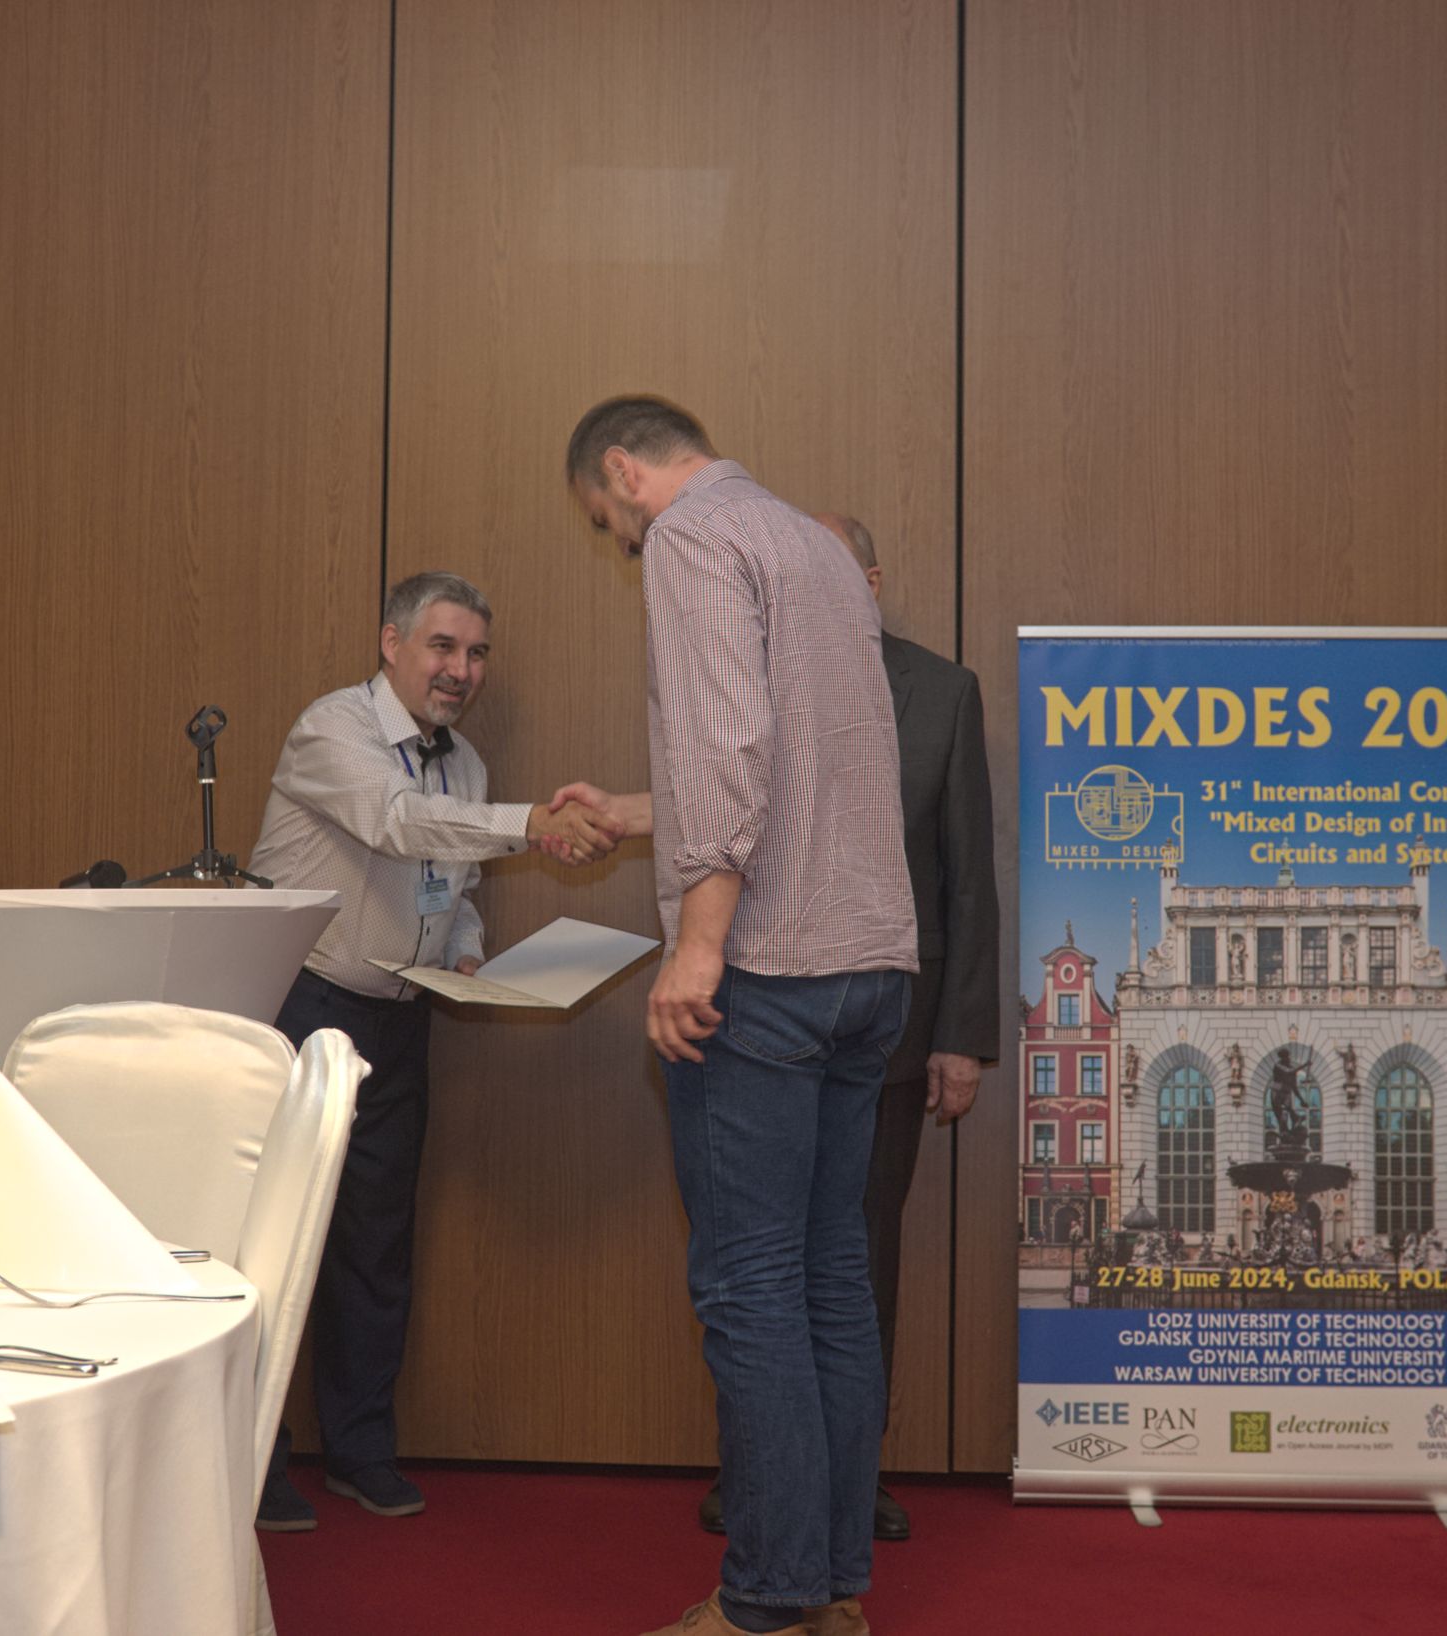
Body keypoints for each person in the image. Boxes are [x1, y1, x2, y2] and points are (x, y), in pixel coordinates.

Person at [563, 396, 915, 1636]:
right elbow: (799, 760)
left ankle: (765, 1599)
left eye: (606, 520)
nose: (622, 543)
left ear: (624, 470)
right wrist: (631, 807)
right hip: (870, 965)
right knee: (830, 1278)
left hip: (768, 968)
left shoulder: (691, 535)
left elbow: (728, 748)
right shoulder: (814, 543)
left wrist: (697, 947)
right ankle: (830, 1592)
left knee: (752, 1285)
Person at [247, 570, 619, 1531]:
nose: (461, 670)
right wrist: (531, 825)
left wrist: (466, 953)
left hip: (400, 1018)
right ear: (392, 643)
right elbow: (397, 820)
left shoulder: (471, 766)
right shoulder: (333, 730)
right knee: (274, 1242)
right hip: (302, 1008)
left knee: (377, 1244)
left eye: (477, 653)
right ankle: (255, 1462)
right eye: (443, 647)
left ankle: (360, 1451)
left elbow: (455, 887)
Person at [679, 511, 995, 1546]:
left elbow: (966, 876)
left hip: (887, 1032)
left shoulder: (941, 690)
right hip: (758, 1011)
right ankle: (759, 1479)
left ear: (869, 579)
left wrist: (961, 1035)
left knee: (857, 1258)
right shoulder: (747, 678)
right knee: (759, 1264)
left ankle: (853, 1484)